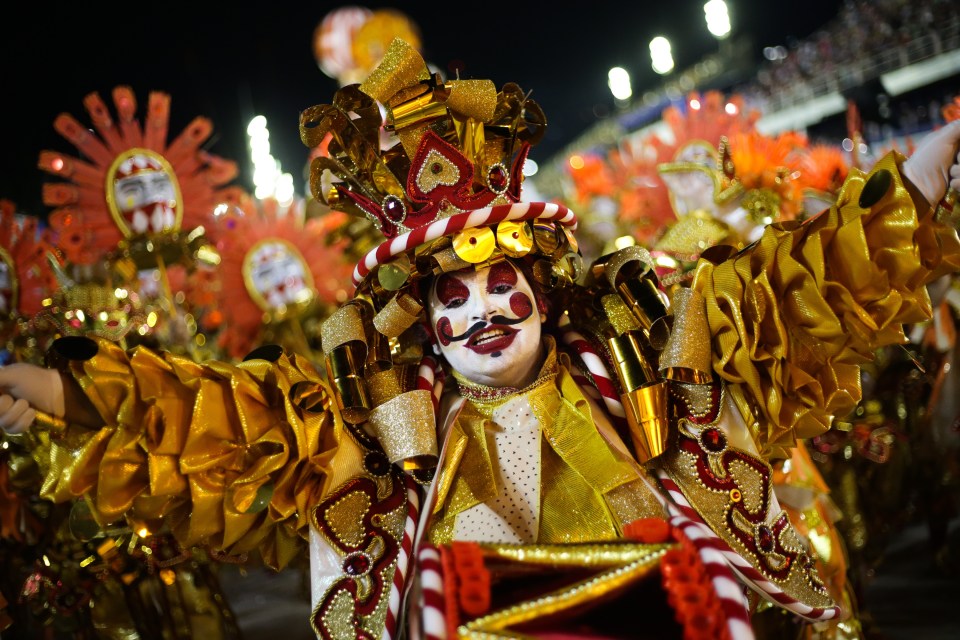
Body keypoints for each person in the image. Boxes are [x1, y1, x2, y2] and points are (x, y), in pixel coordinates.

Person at [2, 38, 960, 639]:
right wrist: (62, 393)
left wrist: (909, 191)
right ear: (422, 319)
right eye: (451, 298)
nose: (482, 312)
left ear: (543, 286)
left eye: (501, 282)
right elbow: (230, 425)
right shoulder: (382, 436)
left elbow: (790, 300)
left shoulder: (652, 369)